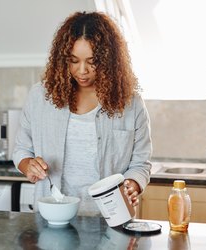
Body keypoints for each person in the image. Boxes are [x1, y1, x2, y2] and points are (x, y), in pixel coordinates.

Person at [12, 11, 152, 216]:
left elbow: (141, 164)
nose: (82, 70)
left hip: (112, 218)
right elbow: (22, 150)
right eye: (74, 60)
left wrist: (132, 184)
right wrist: (28, 166)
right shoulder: (39, 97)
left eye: (92, 61)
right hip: (54, 216)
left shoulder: (131, 104)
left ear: (108, 60)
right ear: (63, 59)